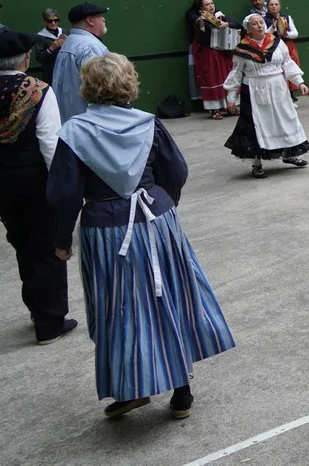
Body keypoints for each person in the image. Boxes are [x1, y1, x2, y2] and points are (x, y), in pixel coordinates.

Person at [49, 53, 234, 418]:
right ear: (128, 83)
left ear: (88, 87)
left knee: (120, 308)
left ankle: (133, 386)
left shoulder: (74, 132)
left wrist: (61, 240)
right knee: (168, 297)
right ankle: (181, 392)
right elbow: (176, 171)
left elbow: (64, 194)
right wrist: (164, 204)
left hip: (106, 230)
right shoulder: (148, 123)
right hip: (156, 219)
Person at [0, 31, 75, 345]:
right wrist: (62, 190)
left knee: (21, 244)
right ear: (25, 59)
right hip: (34, 181)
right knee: (47, 248)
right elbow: (50, 145)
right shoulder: (38, 90)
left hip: (3, 184)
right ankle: (50, 322)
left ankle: (36, 308)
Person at [223, 14, 309, 178]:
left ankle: (289, 154)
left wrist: (300, 82)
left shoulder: (276, 43)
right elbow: (236, 73)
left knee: (285, 120)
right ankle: (256, 164)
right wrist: (231, 97)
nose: (259, 25)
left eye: (261, 22)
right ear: (248, 29)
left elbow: (287, 63)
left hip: (278, 88)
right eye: (255, 24)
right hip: (255, 90)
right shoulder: (242, 49)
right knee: (256, 125)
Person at [50, 3, 110, 123]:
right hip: (89, 123)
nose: (104, 19)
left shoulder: (69, 42)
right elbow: (100, 90)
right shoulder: (90, 47)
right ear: (90, 20)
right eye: (100, 16)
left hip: (70, 122)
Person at [187, 0, 237, 118]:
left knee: (226, 77)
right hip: (209, 54)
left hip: (223, 53)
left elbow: (238, 24)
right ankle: (215, 110)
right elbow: (202, 40)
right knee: (213, 79)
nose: (211, 6)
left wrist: (227, 24)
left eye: (212, 3)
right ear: (202, 8)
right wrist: (203, 29)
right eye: (207, 5)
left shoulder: (221, 16)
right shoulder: (200, 21)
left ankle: (230, 106)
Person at [265, 0, 301, 101]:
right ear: (268, 7)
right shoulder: (263, 19)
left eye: (276, 4)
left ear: (279, 6)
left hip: (288, 45)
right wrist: (272, 28)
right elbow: (265, 35)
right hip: (274, 47)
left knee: (291, 67)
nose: (274, 6)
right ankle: (282, 96)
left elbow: (295, 33)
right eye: (271, 5)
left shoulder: (286, 17)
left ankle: (291, 94)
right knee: (279, 70)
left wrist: (286, 34)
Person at [30, 8, 65, 83]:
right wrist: (51, 48)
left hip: (64, 69)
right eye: (50, 21)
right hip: (50, 72)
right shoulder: (40, 37)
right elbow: (39, 58)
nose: (53, 23)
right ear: (44, 21)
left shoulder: (64, 32)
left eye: (56, 20)